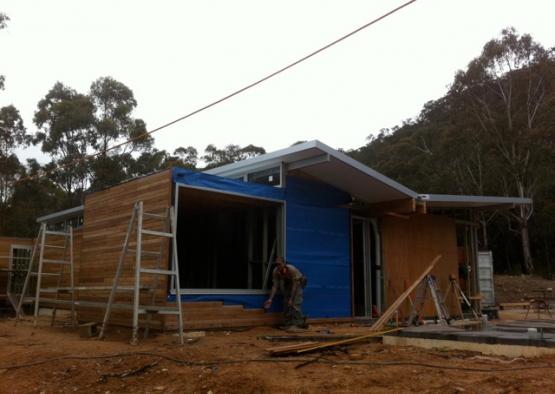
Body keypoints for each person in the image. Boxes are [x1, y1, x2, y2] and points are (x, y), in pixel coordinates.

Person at [264, 256, 307, 328]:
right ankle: (288, 324)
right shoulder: (275, 271)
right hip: (288, 284)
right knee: (286, 304)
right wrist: (270, 299)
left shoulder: (291, 269)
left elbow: (295, 285)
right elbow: (275, 286)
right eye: (276, 264)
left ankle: (298, 324)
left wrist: (291, 299)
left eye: (279, 264)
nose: (278, 266)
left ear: (284, 263)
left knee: (295, 304)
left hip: (297, 283)